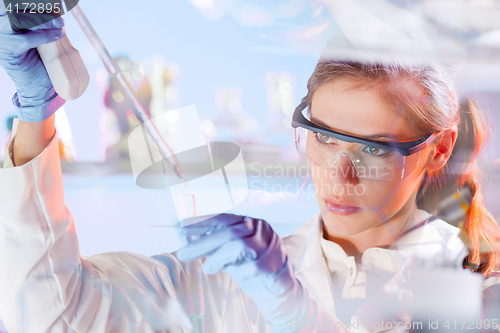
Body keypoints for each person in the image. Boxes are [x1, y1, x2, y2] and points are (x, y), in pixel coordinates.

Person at [1, 7, 499, 333]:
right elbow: (51, 318)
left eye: (375, 150)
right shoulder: (225, 282)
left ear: (439, 150)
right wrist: (35, 117)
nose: (337, 175)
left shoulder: (483, 292)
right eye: (324, 137)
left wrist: (293, 311)